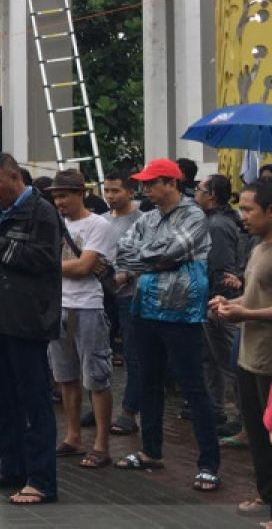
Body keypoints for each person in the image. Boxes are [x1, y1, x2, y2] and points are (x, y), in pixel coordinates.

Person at [114, 158, 219, 492]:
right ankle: (150, 450)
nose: (145, 189)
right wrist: (154, 259)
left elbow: (173, 251)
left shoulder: (194, 215)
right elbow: (124, 253)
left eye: (151, 183)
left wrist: (150, 260)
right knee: (148, 382)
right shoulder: (147, 217)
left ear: (171, 183)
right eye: (143, 184)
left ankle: (208, 464)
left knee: (193, 387)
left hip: (182, 313)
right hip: (145, 308)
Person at [0, 153, 62, 506]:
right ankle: (11, 467)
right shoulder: (1, 213)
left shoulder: (42, 212)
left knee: (34, 401)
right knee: (4, 399)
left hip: (28, 320)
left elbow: (43, 261)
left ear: (14, 177)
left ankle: (41, 480)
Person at [45, 169, 115, 470]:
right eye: (56, 196)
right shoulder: (55, 225)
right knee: (65, 377)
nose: (59, 201)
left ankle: (101, 444)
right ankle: (73, 437)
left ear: (80, 194)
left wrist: (47, 266)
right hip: (58, 306)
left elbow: (85, 266)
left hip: (88, 306)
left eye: (64, 195)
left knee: (96, 376)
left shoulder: (99, 224)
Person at [211, 181, 272, 523]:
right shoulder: (258, 247)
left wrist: (244, 314)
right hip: (250, 354)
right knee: (258, 433)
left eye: (249, 209)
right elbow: (254, 297)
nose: (242, 216)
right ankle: (265, 494)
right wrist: (229, 303)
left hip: (269, 359)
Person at [195, 173, 244, 434]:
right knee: (211, 358)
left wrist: (218, 304)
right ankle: (214, 409)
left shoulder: (217, 226)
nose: (196, 193)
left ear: (211, 195)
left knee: (230, 362)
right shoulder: (215, 221)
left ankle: (241, 418)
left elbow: (223, 268)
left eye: (200, 189)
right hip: (214, 299)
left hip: (220, 303)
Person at [101, 170, 143, 436]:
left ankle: (130, 410)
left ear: (130, 191)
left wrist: (127, 275)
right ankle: (99, 406)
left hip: (131, 295)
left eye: (115, 190)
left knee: (132, 353)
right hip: (102, 293)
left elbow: (151, 256)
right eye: (107, 190)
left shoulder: (143, 220)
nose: (110, 196)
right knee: (98, 350)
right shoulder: (102, 220)